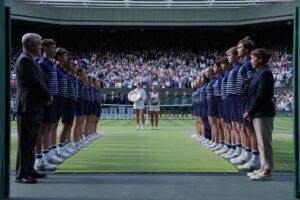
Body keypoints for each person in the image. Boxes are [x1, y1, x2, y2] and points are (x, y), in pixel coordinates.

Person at [15, 33, 52, 184]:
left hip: (33, 105)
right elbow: (34, 82)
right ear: (31, 45)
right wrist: (47, 96)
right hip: (27, 106)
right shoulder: (25, 59)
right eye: (38, 44)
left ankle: (29, 170)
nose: (40, 47)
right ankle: (22, 174)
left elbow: (39, 81)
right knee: (25, 143)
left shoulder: (30, 59)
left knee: (31, 141)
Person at [244, 49, 275, 181]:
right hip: (258, 112)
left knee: (264, 142)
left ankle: (267, 170)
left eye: (253, 58)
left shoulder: (265, 73)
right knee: (261, 144)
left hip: (263, 112)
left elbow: (260, 95)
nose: (251, 61)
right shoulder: (260, 73)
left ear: (260, 59)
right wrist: (250, 111)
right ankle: (263, 167)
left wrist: (250, 111)